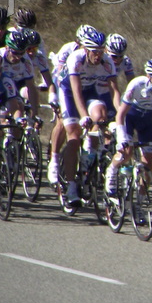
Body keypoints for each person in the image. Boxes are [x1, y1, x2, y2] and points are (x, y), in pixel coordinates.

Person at [56, 28, 118, 208]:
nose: (98, 56)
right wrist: (83, 116)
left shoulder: (107, 62)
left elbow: (115, 90)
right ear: (86, 50)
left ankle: (87, 163)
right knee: (74, 136)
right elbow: (75, 91)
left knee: (100, 116)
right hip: (69, 92)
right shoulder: (75, 58)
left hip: (90, 91)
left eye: (101, 51)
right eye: (94, 52)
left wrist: (120, 114)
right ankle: (71, 186)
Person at [105, 58, 152, 197]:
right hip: (128, 119)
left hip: (147, 122)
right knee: (127, 152)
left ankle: (139, 201)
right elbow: (121, 114)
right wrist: (121, 137)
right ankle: (112, 170)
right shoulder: (136, 85)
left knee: (148, 164)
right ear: (148, 76)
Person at [46, 24, 99, 185]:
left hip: (85, 89)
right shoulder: (68, 50)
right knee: (63, 121)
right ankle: (54, 160)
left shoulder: (95, 56)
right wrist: (53, 96)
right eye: (83, 43)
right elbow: (58, 75)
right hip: (66, 86)